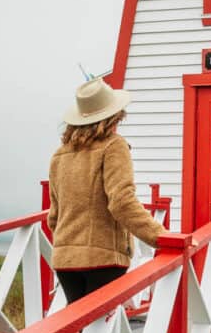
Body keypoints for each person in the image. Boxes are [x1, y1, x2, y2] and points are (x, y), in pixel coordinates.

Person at [48, 76, 165, 304]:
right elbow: (122, 202)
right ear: (114, 116)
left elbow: (54, 215)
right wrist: (160, 236)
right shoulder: (113, 145)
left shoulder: (59, 155)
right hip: (103, 259)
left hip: (64, 260)